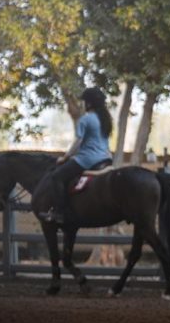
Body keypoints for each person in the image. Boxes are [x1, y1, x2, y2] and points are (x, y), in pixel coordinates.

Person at [36, 87, 113, 224]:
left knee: (57, 177)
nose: (83, 104)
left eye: (84, 101)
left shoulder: (86, 119)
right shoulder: (106, 119)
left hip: (87, 159)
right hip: (105, 158)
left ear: (89, 104)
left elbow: (78, 142)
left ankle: (59, 212)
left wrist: (65, 157)